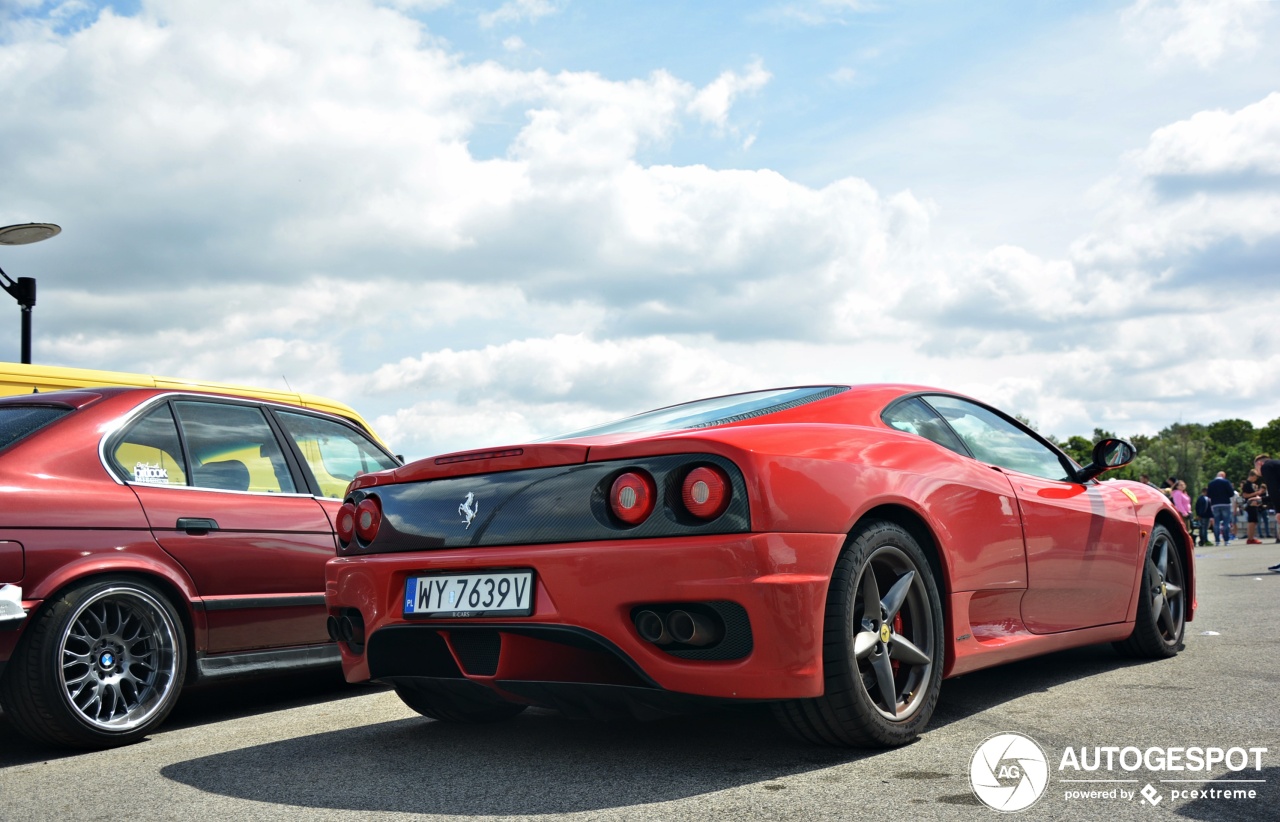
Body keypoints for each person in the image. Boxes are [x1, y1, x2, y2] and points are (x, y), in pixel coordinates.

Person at [1253, 455, 1280, 572]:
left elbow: (1275, 490)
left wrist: (1279, 510)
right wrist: (1262, 500)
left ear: (1259, 464)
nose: (1257, 472)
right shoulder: (1276, 465)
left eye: (1256, 468)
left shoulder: (1266, 467)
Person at [1207, 471, 1235, 546]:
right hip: (1225, 503)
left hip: (1215, 504)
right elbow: (1231, 493)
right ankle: (1226, 540)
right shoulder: (1226, 482)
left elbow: (1208, 495)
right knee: (1226, 523)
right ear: (1223, 476)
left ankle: (1217, 541)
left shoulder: (1211, 483)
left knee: (1216, 523)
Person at [1240, 469, 1265, 544]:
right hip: (1250, 504)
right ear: (1252, 476)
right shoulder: (1247, 484)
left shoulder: (1250, 484)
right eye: (1256, 477)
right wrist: (1256, 493)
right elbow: (1245, 495)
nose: (1256, 479)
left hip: (1253, 504)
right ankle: (1250, 538)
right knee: (1252, 521)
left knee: (1253, 521)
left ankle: (1251, 537)